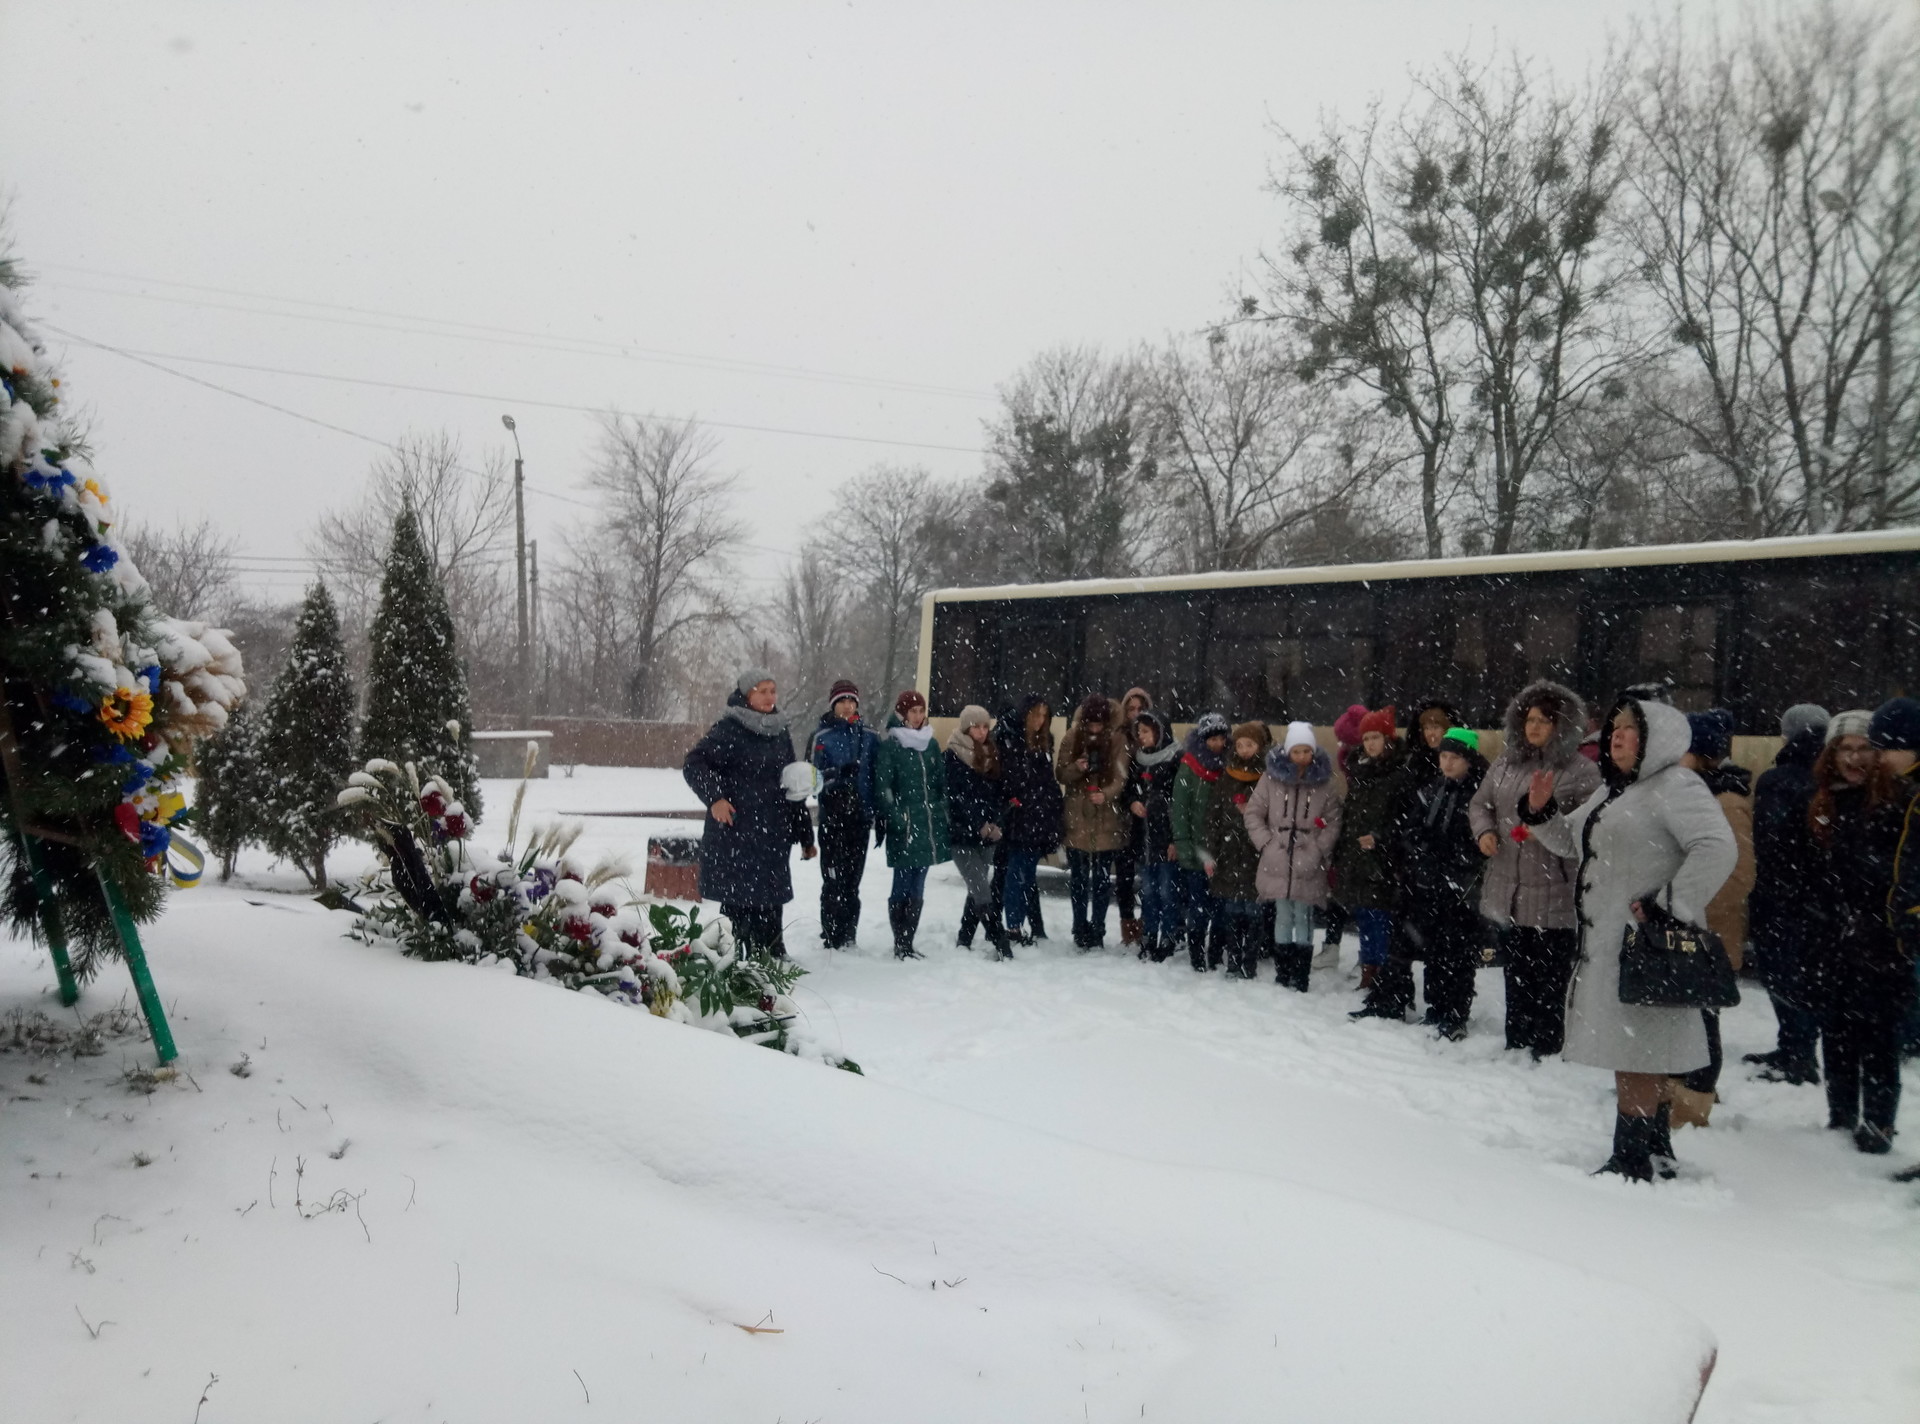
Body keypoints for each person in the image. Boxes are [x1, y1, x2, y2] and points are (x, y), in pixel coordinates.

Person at [1521, 698, 1737, 1182]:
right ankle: (1656, 1146)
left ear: (1656, 738)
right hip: (1612, 945)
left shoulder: (1676, 785)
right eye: (1612, 728)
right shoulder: (1615, 792)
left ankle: (1631, 1157)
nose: (1614, 736)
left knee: (1636, 1050)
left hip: (1647, 945)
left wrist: (1667, 903)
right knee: (1643, 1045)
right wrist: (1538, 812)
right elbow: (1569, 842)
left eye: (1628, 729)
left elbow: (1719, 847)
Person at [1469, 681, 1601, 1056]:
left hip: (1553, 886)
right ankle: (1517, 1040)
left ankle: (1547, 1045)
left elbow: (1587, 826)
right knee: (1516, 972)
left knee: (1549, 975)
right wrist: (1485, 832)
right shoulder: (1505, 763)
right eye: (1530, 719)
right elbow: (1480, 804)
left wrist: (1546, 823)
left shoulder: (1581, 770)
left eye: (1545, 720)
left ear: (1562, 726)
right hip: (1509, 884)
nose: (1535, 727)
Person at [1807, 710, 1912, 1154]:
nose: (1854, 756)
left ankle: (1879, 1124)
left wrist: (1876, 920)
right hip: (1832, 936)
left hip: (1880, 938)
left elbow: (1893, 870)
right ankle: (1842, 1111)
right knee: (1836, 1029)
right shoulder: (1822, 802)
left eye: (1863, 747)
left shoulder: (1896, 801)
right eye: (1845, 747)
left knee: (1879, 1033)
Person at [682, 668, 817, 958]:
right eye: (762, 691)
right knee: (739, 901)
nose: (770, 697)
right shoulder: (730, 728)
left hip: (773, 830)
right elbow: (694, 764)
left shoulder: (779, 730)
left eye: (773, 690)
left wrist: (806, 835)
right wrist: (715, 798)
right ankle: (733, 957)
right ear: (747, 694)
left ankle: (771, 953)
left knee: (770, 898)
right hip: (738, 832)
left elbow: (790, 783)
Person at [1368, 727, 1488, 1038]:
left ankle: (1454, 1012)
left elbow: (1476, 840)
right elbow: (1412, 826)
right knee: (1432, 947)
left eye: (1454, 758)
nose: (1447, 764)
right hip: (1425, 880)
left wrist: (1449, 859)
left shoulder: (1478, 793)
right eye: (1443, 756)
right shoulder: (1433, 789)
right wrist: (1418, 851)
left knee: (1456, 952)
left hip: (1459, 885)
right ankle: (1433, 1007)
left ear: (1469, 760)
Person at [1667, 708, 1755, 1126]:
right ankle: (1674, 1091)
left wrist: (1685, 903)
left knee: (1702, 1021)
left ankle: (1693, 1104)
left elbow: (1739, 875)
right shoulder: (1687, 793)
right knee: (1679, 1017)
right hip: (1678, 927)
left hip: (1707, 932)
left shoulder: (1726, 801)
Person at [1743, 704, 1831, 1084]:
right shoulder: (1826, 776)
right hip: (1814, 895)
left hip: (1779, 892)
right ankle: (1798, 1047)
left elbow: (1769, 838)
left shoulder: (1778, 779)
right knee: (1803, 973)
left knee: (1781, 971)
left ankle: (1795, 1053)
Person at [1245, 721, 1343, 992]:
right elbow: (1253, 813)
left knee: (1305, 916)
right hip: (1276, 858)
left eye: (1306, 751)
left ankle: (1301, 975)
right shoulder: (1270, 778)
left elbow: (1334, 820)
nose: (1301, 757)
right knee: (1282, 915)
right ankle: (1282, 971)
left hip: (1308, 860)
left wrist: (1318, 848)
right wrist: (1266, 843)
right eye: (1296, 751)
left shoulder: (1324, 783)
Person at [1330, 706, 1408, 996]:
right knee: (1364, 916)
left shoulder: (1399, 773)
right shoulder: (1360, 771)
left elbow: (1404, 819)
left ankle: (1382, 973)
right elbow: (1351, 814)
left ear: (1387, 738)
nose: (1371, 743)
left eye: (1376, 737)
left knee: (1380, 918)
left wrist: (1381, 838)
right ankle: (1368, 970)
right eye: (1366, 738)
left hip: (1383, 860)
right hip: (1358, 857)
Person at [874, 689, 951, 960]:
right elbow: (883, 785)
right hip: (905, 825)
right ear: (902, 713)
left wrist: (942, 808)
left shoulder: (930, 744)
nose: (917, 717)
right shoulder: (891, 746)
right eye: (912, 711)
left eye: (921, 711)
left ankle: (909, 940)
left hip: (928, 823)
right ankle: (899, 942)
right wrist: (896, 815)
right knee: (902, 881)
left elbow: (940, 782)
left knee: (919, 882)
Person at [1056, 693, 1131, 950]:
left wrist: (1106, 794)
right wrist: (1078, 767)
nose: (1095, 729)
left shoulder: (1118, 740)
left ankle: (1098, 930)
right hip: (1077, 816)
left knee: (1100, 881)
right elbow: (1061, 774)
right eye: (1091, 724)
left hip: (1107, 819)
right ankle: (1079, 928)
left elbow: (1122, 778)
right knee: (1078, 879)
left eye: (1100, 724)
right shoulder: (1072, 737)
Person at [1201, 721, 1272, 979]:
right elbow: (1213, 818)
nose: (1244, 750)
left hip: (1255, 854)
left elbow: (1274, 816)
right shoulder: (1226, 776)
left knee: (1253, 911)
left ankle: (1249, 961)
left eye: (1249, 745)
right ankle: (1233, 959)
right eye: (1240, 744)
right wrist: (1212, 851)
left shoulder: (1268, 777)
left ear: (1259, 747)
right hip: (1229, 855)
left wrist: (1251, 814)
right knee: (1231, 910)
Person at [809, 679, 877, 950]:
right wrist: (836, 775)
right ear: (833, 704)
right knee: (833, 878)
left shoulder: (870, 737)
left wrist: (876, 813)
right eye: (842, 701)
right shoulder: (821, 737)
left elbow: (876, 777)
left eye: (851, 701)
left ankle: (849, 934)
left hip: (859, 818)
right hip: (832, 817)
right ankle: (831, 932)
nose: (847, 706)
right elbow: (811, 781)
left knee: (853, 880)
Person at [944, 704, 1011, 960]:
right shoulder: (952, 756)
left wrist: (995, 823)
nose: (982, 732)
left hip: (987, 835)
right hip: (962, 834)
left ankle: (964, 938)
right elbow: (957, 798)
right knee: (982, 891)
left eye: (985, 726)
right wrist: (978, 823)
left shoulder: (991, 753)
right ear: (965, 728)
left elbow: (996, 793)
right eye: (976, 726)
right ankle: (1001, 942)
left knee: (977, 888)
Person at [994, 695, 1061, 945]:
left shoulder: (1044, 742)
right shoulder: (1013, 740)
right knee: (1017, 874)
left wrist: (1052, 810)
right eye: (1036, 715)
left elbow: (1048, 782)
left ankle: (1017, 925)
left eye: (1044, 715)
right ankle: (1013, 926)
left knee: (1026, 874)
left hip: (1038, 816)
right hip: (1021, 816)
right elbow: (1013, 780)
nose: (1040, 720)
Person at [1172, 711, 1231, 971]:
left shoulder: (1229, 767)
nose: (1217, 744)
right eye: (1212, 739)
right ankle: (1196, 953)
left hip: (1222, 850)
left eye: (1221, 738)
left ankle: (1215, 953)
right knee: (1198, 905)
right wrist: (1184, 845)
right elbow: (1179, 809)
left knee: (1220, 907)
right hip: (1196, 850)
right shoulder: (1189, 766)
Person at [1124, 709, 1183, 962]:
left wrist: (1175, 838)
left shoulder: (1175, 758)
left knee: (1168, 891)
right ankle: (1149, 934)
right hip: (1144, 836)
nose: (1142, 737)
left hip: (1166, 835)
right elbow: (1128, 789)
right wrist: (1133, 802)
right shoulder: (1138, 759)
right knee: (1148, 892)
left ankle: (1169, 936)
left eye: (1146, 732)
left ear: (1159, 732)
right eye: (1139, 732)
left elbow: (1179, 802)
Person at [1115, 686, 1154, 946]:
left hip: (1148, 820)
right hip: (1121, 817)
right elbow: (1118, 778)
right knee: (1125, 876)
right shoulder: (1118, 738)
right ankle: (1128, 927)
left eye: (1141, 709)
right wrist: (1129, 801)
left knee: (1149, 875)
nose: (1136, 713)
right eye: (1131, 709)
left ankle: (1146, 925)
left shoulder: (1154, 738)